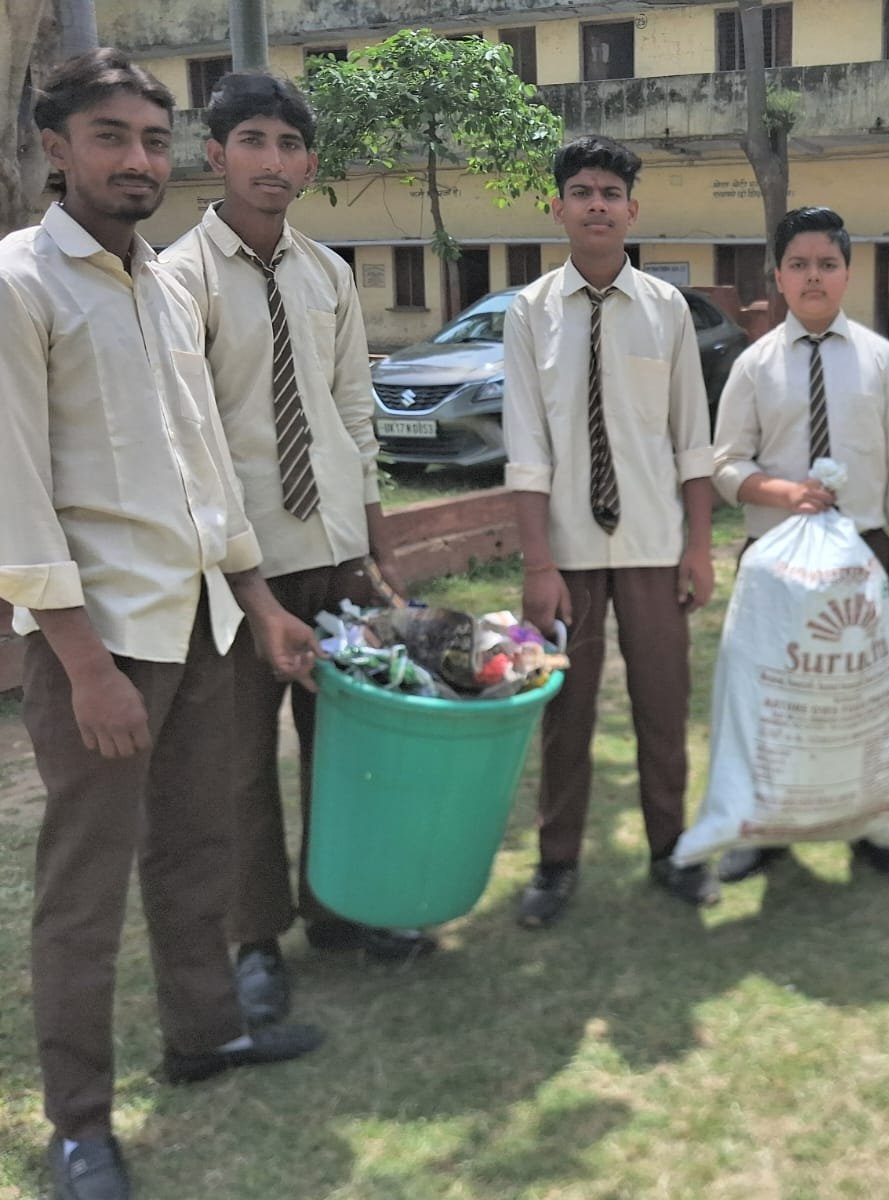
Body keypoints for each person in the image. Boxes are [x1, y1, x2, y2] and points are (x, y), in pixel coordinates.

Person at [0, 49, 325, 1200]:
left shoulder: (164, 286)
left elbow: (203, 473)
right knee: (85, 890)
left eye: (150, 138)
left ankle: (205, 1037)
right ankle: (79, 1123)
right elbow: (16, 494)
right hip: (104, 644)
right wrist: (83, 665)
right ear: (55, 147)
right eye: (109, 136)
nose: (136, 159)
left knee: (199, 849)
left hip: (203, 624)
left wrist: (261, 601)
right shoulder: (21, 283)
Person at [159, 71, 433, 1032]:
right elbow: (189, 443)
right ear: (217, 155)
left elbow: (354, 416)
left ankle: (343, 907)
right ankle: (254, 942)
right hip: (241, 565)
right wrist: (242, 577)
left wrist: (377, 540)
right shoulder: (176, 280)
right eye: (253, 142)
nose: (271, 162)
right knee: (239, 762)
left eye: (287, 144)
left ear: (310, 163)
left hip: (335, 551)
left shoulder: (328, 275)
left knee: (351, 745)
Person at [503, 134, 719, 927]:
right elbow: (525, 446)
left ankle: (673, 850)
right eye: (581, 191)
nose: (596, 204)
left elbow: (691, 438)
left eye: (610, 193)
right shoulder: (530, 314)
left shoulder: (666, 310)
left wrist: (698, 545)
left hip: (656, 545)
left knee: (664, 703)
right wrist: (537, 563)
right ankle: (556, 862)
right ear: (556, 206)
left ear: (633, 209)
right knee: (567, 710)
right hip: (567, 551)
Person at [711, 205, 889, 885]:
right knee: (774, 699)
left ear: (847, 272)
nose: (814, 277)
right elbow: (724, 466)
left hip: (862, 555)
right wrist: (785, 494)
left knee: (859, 701)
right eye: (799, 265)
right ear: (777, 276)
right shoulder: (754, 366)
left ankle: (874, 829)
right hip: (777, 557)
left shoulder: (880, 360)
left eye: (827, 264)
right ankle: (765, 831)